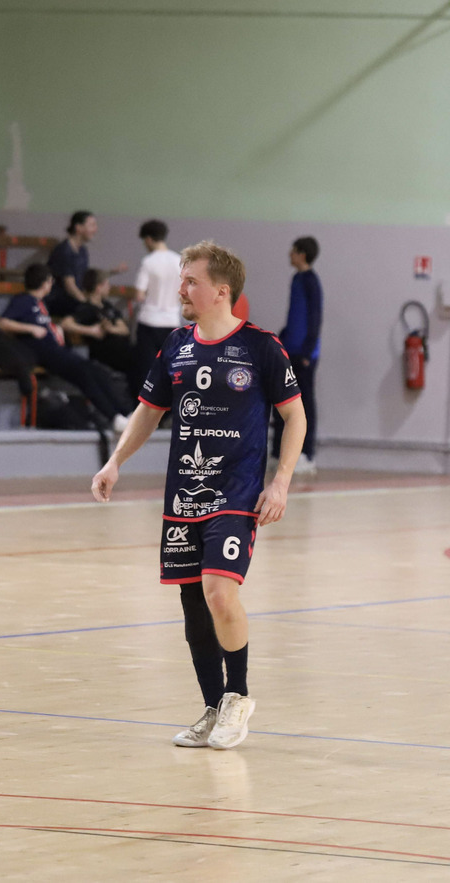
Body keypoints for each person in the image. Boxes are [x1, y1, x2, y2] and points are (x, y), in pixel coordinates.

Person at [92, 240, 306, 752]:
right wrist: (115, 461)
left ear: (221, 291)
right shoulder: (175, 346)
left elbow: (294, 415)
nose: (181, 290)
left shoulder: (260, 347)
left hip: (238, 493)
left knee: (218, 593)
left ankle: (238, 697)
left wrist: (280, 482)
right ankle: (212, 707)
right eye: (182, 280)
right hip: (184, 493)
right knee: (193, 604)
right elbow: (149, 411)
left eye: (191, 281)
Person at [0, 263, 129, 431]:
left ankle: (125, 413)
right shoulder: (23, 300)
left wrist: (55, 330)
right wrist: (31, 329)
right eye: (50, 281)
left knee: (96, 371)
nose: (51, 284)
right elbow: (3, 323)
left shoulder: (41, 303)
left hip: (57, 350)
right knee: (84, 374)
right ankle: (114, 417)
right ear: (44, 283)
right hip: (45, 352)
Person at [273, 236, 322, 476]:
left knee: (304, 405)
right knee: (282, 402)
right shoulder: (296, 278)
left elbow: (315, 318)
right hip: (289, 350)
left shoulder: (311, 281)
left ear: (302, 254)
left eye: (293, 251)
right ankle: (278, 452)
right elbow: (293, 316)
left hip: (303, 354)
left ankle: (306, 454)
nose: (289, 254)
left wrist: (307, 351)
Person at [74, 268, 143, 394]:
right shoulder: (86, 308)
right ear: (98, 287)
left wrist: (110, 329)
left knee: (144, 356)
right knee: (138, 361)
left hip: (122, 349)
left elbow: (124, 330)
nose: (109, 287)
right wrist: (92, 330)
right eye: (106, 284)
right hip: (104, 352)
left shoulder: (107, 306)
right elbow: (67, 323)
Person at [133, 219, 182, 367]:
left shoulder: (148, 261)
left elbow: (139, 295)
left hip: (149, 320)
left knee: (146, 367)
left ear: (148, 239)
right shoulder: (179, 261)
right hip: (172, 321)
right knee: (168, 367)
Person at [46, 210, 97, 317]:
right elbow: (69, 285)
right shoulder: (64, 251)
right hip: (58, 300)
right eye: (91, 225)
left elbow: (82, 281)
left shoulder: (82, 251)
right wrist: (86, 303)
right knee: (92, 313)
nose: (95, 229)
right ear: (78, 228)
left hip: (73, 299)